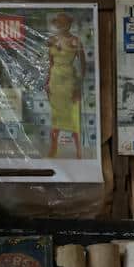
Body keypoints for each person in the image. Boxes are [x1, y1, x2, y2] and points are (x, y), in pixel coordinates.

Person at [47, 13, 87, 158]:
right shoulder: (51, 40)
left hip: (69, 81)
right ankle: (53, 148)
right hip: (55, 82)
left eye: (64, 23)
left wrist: (79, 86)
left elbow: (83, 64)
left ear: (69, 25)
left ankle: (79, 150)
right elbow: (50, 63)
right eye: (59, 23)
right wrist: (47, 82)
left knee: (73, 116)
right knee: (56, 116)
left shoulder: (75, 41)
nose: (62, 26)